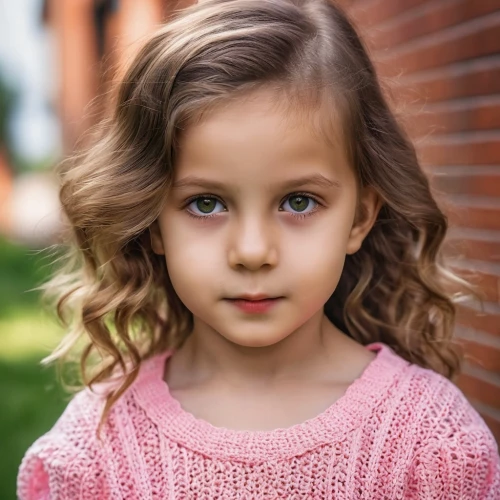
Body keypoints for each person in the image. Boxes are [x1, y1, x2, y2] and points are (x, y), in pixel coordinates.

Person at [17, 0, 500, 498]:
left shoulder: (433, 445)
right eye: (206, 204)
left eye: (298, 201)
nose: (252, 251)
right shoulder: (95, 451)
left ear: (359, 216)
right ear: (153, 220)